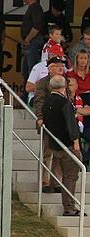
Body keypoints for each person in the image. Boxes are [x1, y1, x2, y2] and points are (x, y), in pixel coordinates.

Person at [42, 75, 83, 216]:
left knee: (66, 175)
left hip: (55, 145)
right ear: (64, 86)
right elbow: (71, 125)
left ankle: (69, 206)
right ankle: (69, 207)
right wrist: (76, 142)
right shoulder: (64, 103)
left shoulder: (47, 102)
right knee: (70, 176)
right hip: (67, 145)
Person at [33, 57, 70, 192]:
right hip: (48, 123)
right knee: (47, 153)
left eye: (62, 65)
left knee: (59, 154)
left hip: (61, 124)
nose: (61, 68)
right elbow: (39, 101)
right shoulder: (43, 83)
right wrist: (40, 117)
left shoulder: (66, 81)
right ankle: (45, 182)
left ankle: (57, 181)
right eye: (57, 65)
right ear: (50, 68)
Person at [20, 0, 46, 83]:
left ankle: (33, 96)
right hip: (31, 43)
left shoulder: (35, 8)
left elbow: (36, 27)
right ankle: (27, 95)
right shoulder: (32, 7)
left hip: (33, 43)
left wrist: (27, 39)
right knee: (26, 71)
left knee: (32, 70)